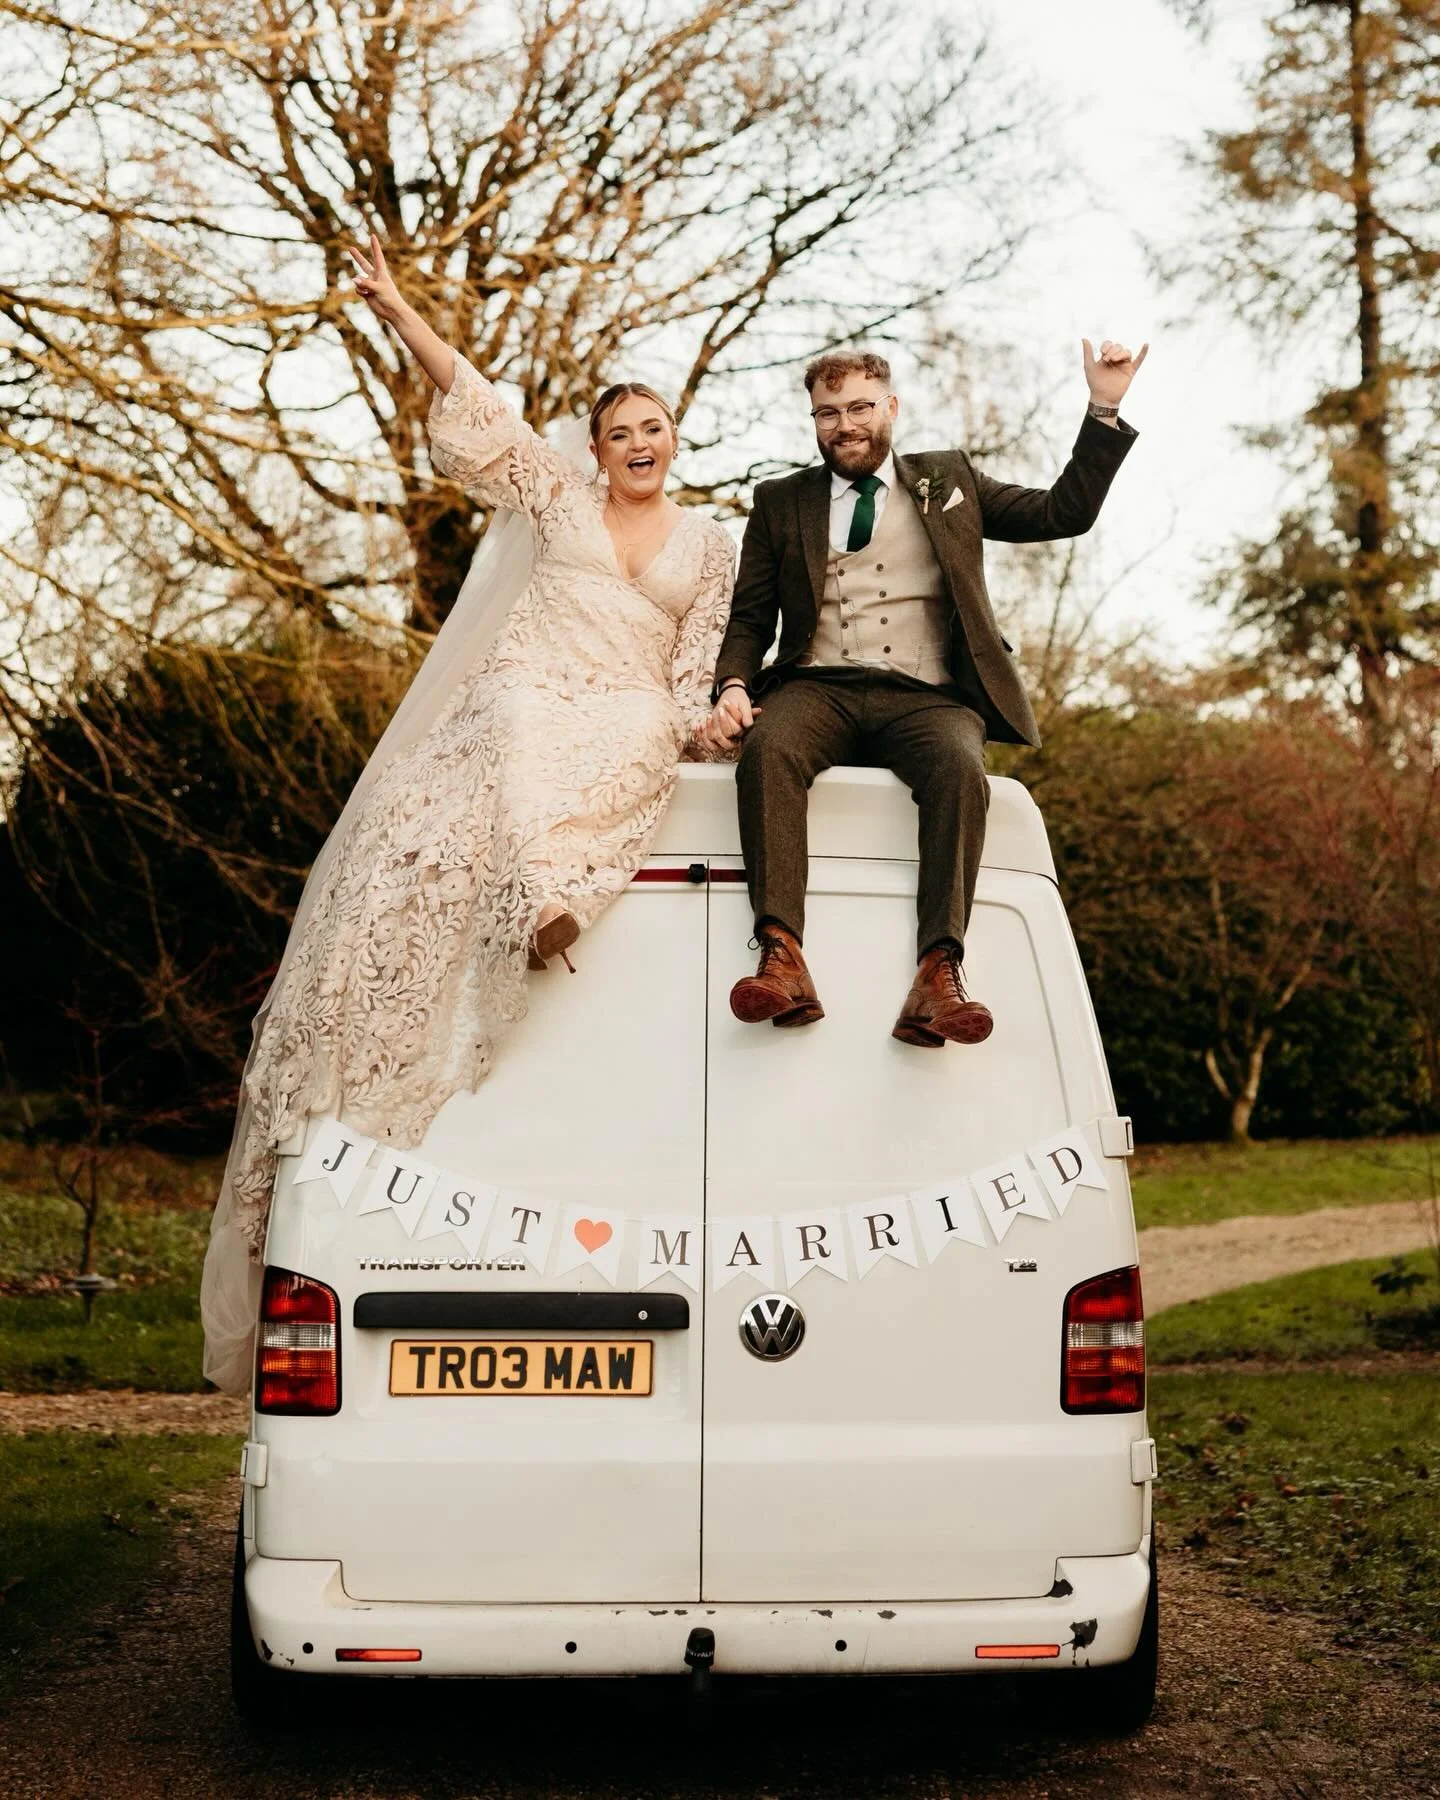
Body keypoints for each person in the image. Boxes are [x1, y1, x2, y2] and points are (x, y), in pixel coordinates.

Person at [200, 233, 736, 1393]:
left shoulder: (711, 546)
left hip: (632, 702)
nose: (638, 444)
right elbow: (477, 401)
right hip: (529, 684)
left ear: (674, 437)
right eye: (619, 432)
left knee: (636, 730)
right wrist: (397, 307)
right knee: (521, 729)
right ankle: (541, 900)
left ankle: (554, 893)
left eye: (652, 428)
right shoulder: (555, 493)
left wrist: (710, 724)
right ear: (595, 451)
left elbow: (695, 662)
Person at [697, 340, 1145, 1044]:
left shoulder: (949, 478)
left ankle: (939, 972)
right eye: (827, 413)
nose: (845, 425)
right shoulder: (780, 501)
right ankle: (781, 956)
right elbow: (752, 617)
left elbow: (1063, 513)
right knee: (769, 748)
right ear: (814, 421)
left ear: (892, 407)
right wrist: (731, 685)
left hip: (926, 693)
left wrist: (1104, 407)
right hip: (818, 686)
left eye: (860, 408)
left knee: (962, 768)